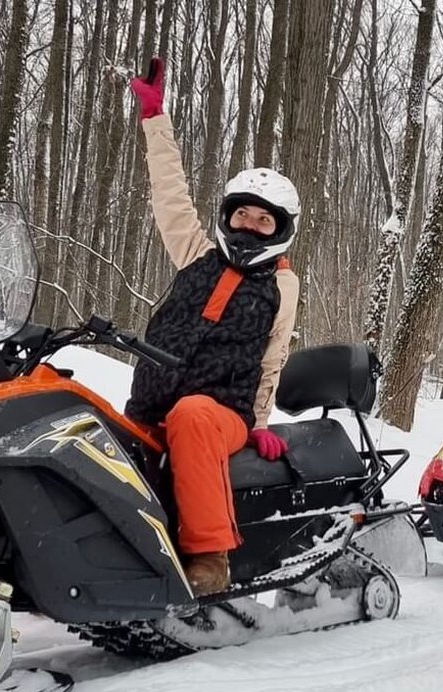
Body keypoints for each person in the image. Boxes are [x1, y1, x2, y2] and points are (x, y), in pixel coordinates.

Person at [123, 58, 300, 595]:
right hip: (150, 407)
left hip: (221, 412)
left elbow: (273, 356)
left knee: (194, 415)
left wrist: (260, 422)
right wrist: (155, 117)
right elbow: (169, 194)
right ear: (227, 217)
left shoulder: (281, 286)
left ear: (280, 230)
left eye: (263, 220)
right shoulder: (196, 253)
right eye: (243, 215)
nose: (251, 225)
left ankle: (209, 559)